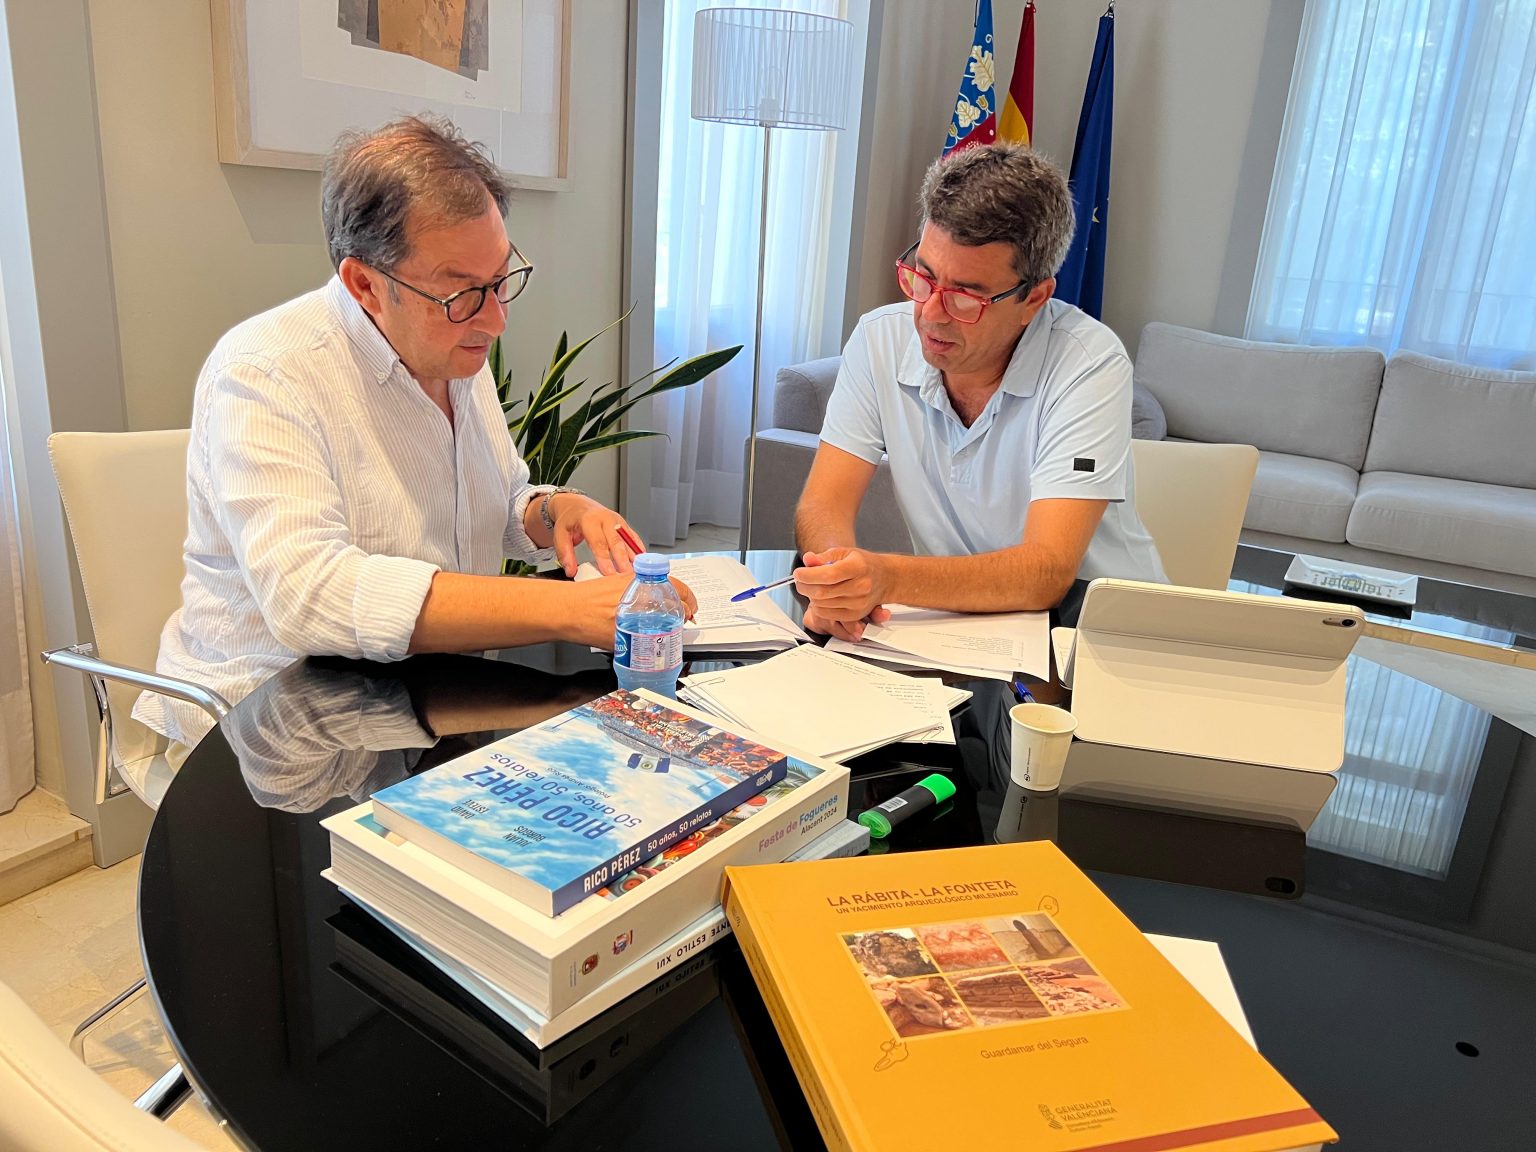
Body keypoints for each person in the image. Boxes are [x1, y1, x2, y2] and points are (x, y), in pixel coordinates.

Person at [135, 115, 692, 751]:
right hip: (275, 728)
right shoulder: (266, 372)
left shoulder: (452, 348)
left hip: (432, 699)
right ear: (365, 285)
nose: (495, 319)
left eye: (501, 280)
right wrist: (569, 610)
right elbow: (309, 594)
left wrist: (555, 511)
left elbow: (496, 499)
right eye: (461, 294)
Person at [793, 144, 1165, 640]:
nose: (931, 314)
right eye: (923, 278)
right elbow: (824, 504)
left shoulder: (1088, 363)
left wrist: (887, 578)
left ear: (1034, 298)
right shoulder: (879, 339)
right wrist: (834, 582)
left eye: (966, 296)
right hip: (962, 626)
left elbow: (1047, 572)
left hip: (1101, 635)